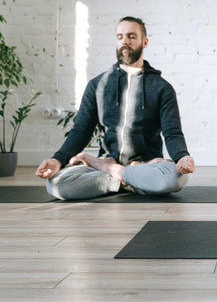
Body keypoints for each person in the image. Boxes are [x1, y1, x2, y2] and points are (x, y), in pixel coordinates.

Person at [36, 16, 195, 200]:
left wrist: (182, 156)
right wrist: (57, 161)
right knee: (56, 184)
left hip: (145, 164)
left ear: (144, 42)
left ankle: (114, 174)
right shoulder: (97, 85)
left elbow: (172, 132)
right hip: (107, 161)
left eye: (131, 36)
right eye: (120, 37)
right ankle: (128, 180)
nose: (124, 41)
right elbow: (81, 130)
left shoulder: (162, 88)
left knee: (175, 178)